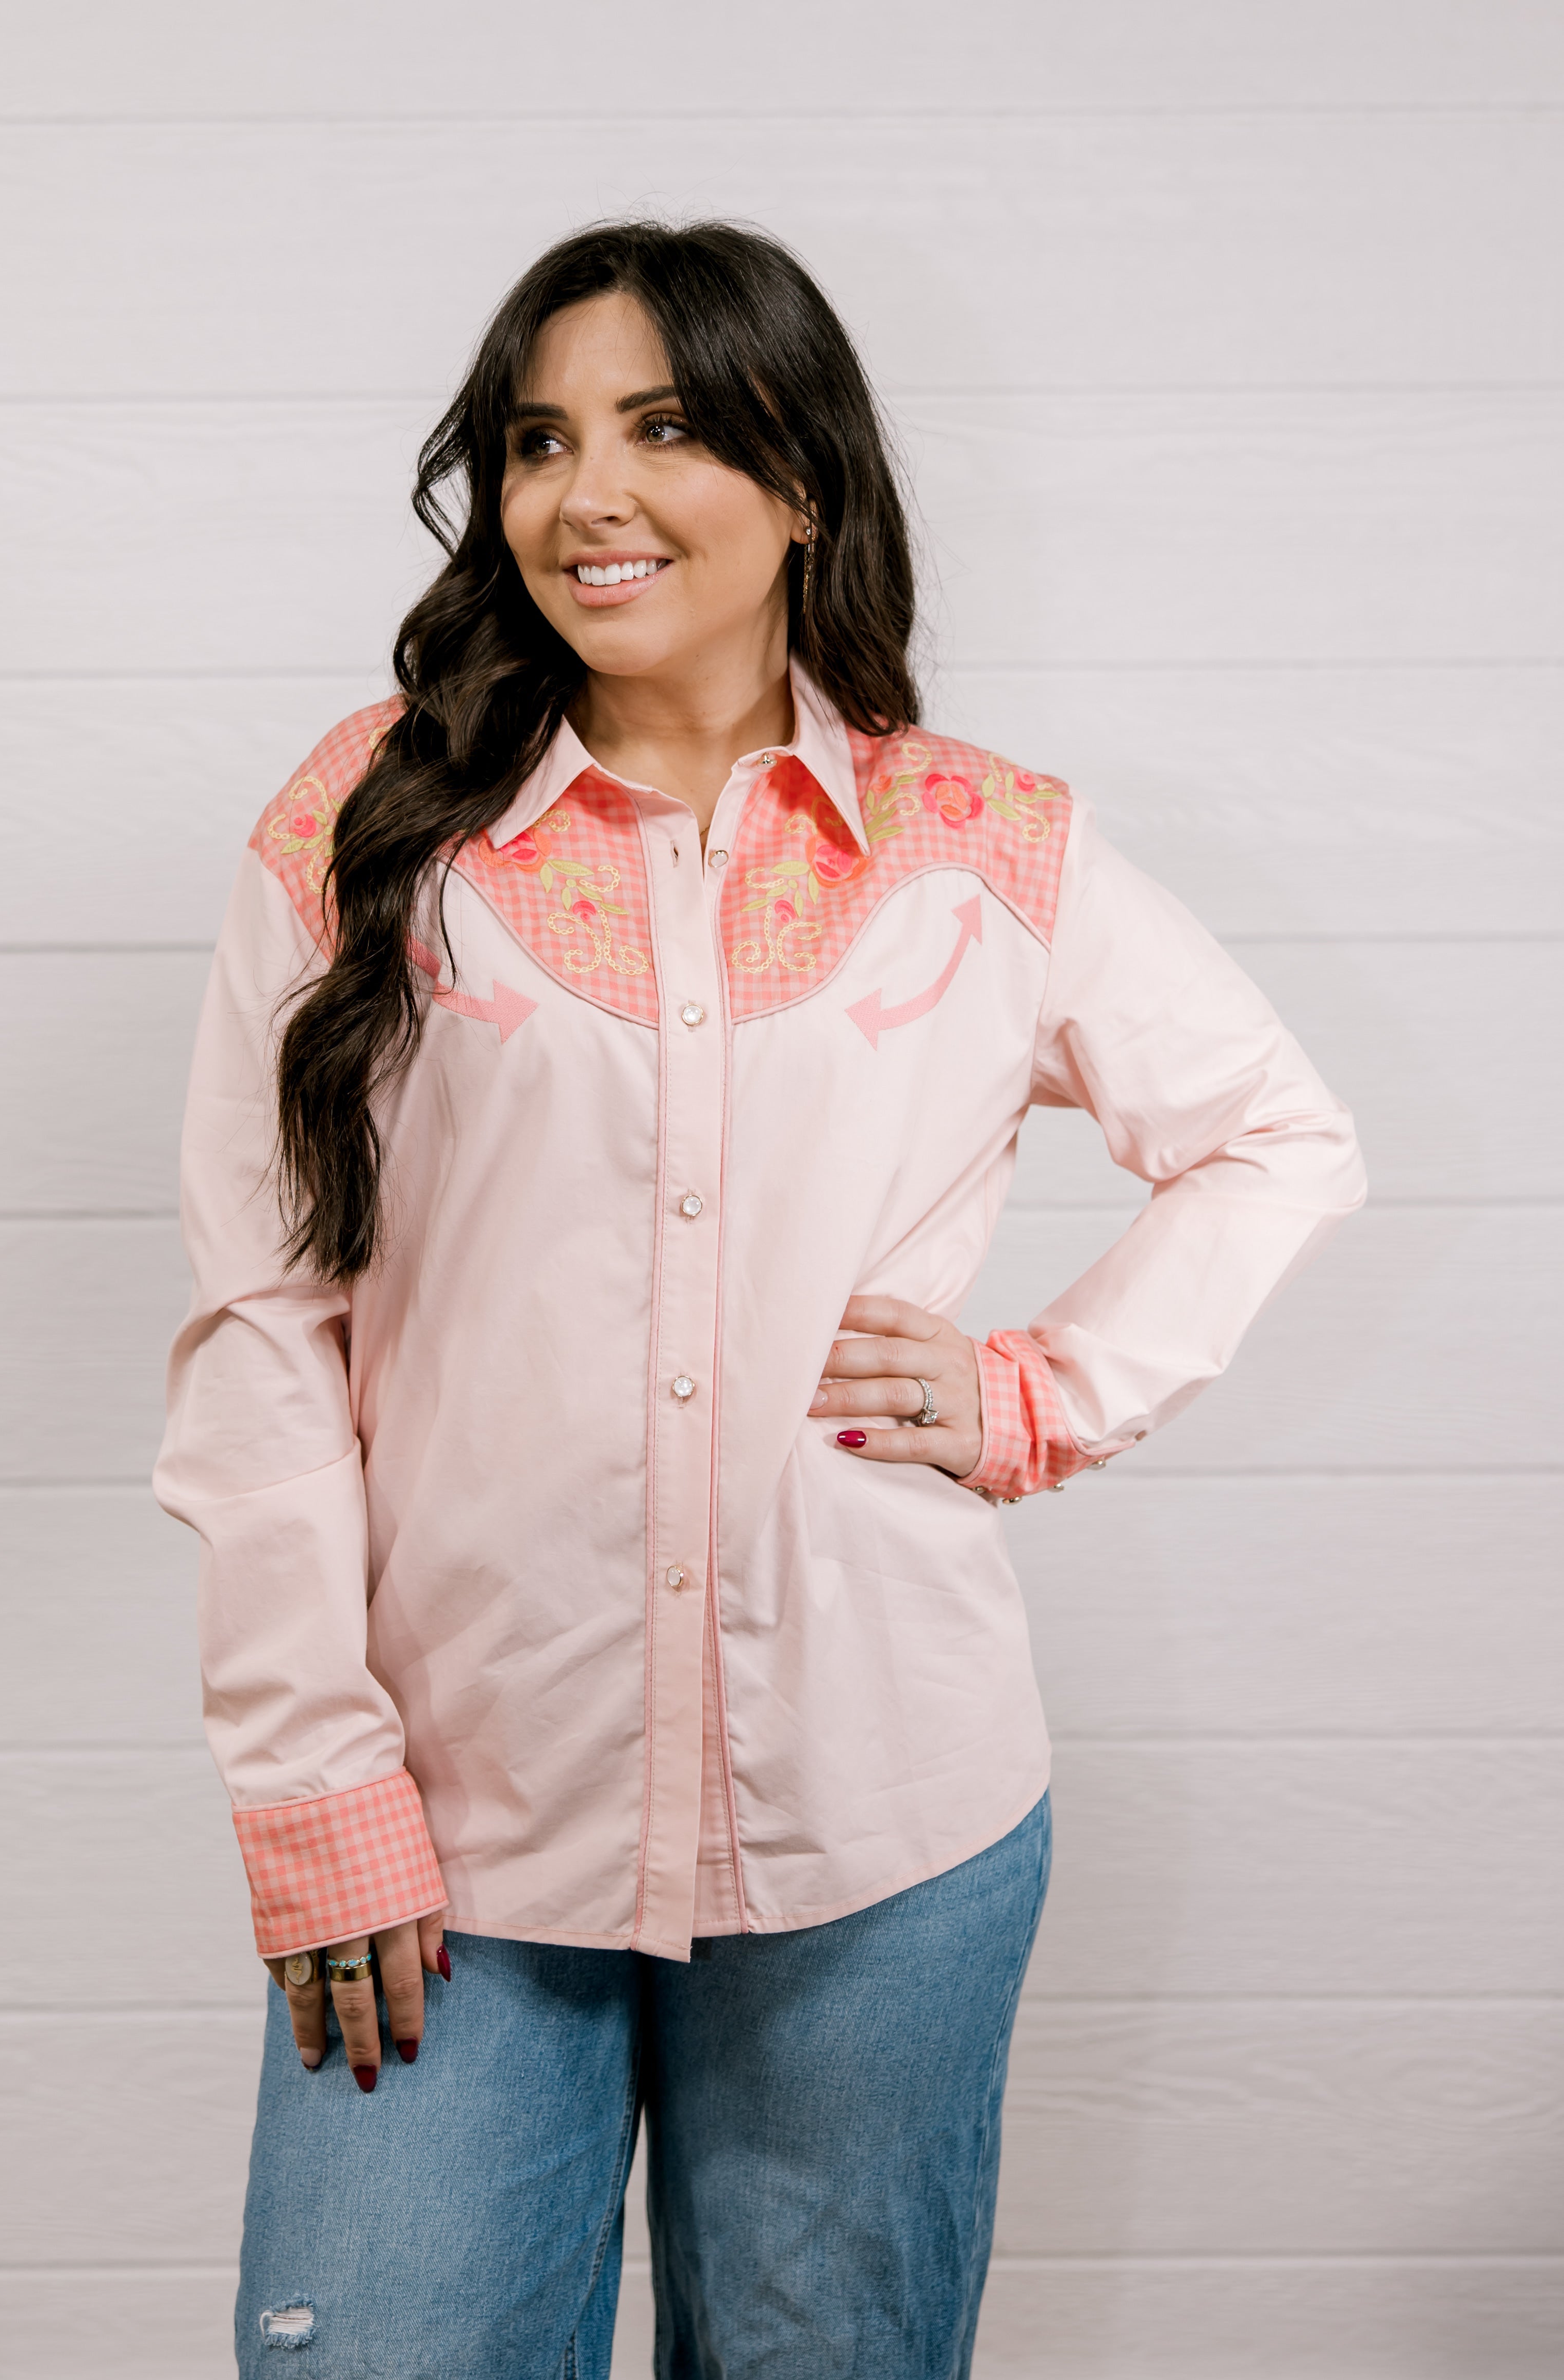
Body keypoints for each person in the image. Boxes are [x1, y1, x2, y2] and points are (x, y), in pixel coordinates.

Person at [154, 220, 1364, 2379]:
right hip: (449, 1820)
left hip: (884, 1821)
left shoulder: (975, 843)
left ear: (800, 473)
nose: (581, 496)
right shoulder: (365, 826)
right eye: (536, 440)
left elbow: (1276, 1137)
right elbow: (261, 1322)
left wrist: (1032, 1392)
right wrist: (304, 1775)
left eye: (664, 428)